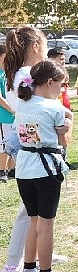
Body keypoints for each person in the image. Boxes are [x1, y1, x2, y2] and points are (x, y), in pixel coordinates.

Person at [1, 27, 68, 272]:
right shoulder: (30, 80)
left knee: (33, 218)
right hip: (42, 160)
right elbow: (56, 129)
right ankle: (27, 267)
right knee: (38, 220)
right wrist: (65, 120)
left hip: (27, 160)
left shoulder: (21, 79)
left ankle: (32, 264)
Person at [14, 60, 71, 272]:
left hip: (24, 169)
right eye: (61, 85)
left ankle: (29, 271)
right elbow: (65, 140)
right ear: (50, 82)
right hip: (46, 170)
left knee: (34, 221)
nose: (61, 90)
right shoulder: (54, 107)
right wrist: (69, 124)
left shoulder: (23, 105)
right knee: (47, 225)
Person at [0, 44, 15, 183]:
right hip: (3, 115)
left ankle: (12, 170)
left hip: (11, 116)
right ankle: (2, 171)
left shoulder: (8, 74)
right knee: (3, 144)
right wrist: (12, 109)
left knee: (13, 142)